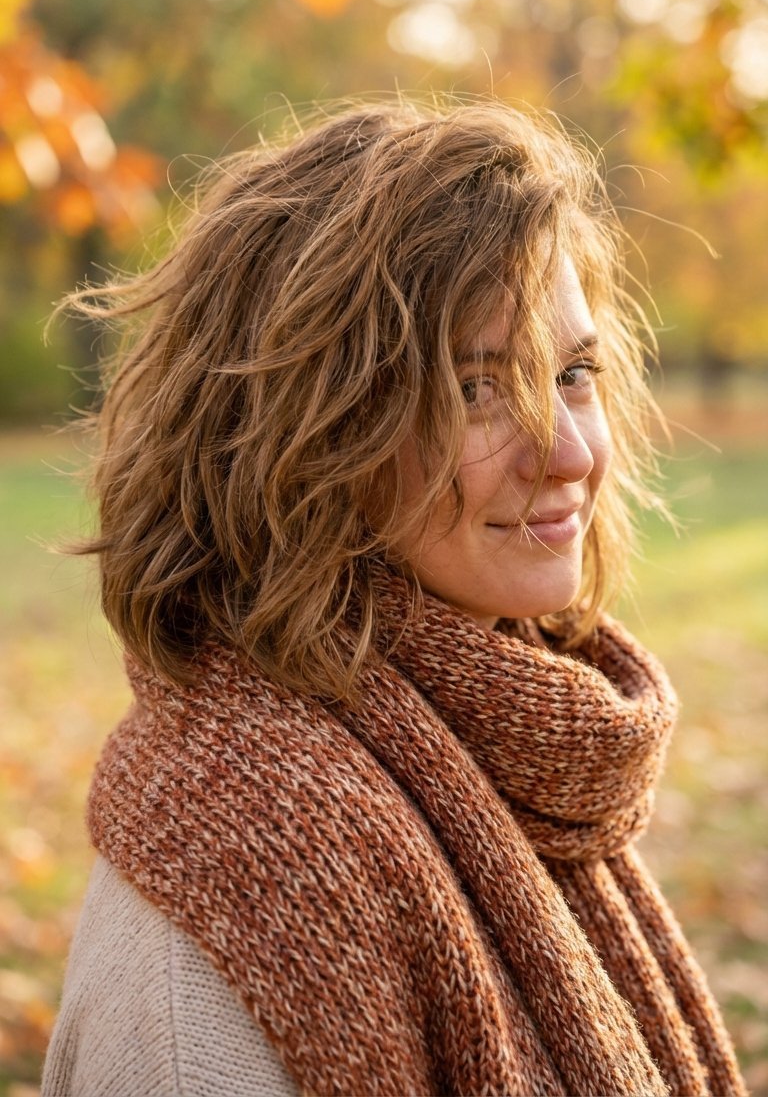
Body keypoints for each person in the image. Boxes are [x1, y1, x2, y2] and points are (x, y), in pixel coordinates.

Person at [42, 100, 746, 1097]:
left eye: (573, 372)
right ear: (301, 434)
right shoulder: (258, 866)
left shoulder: (514, 746)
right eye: (476, 388)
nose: (570, 453)